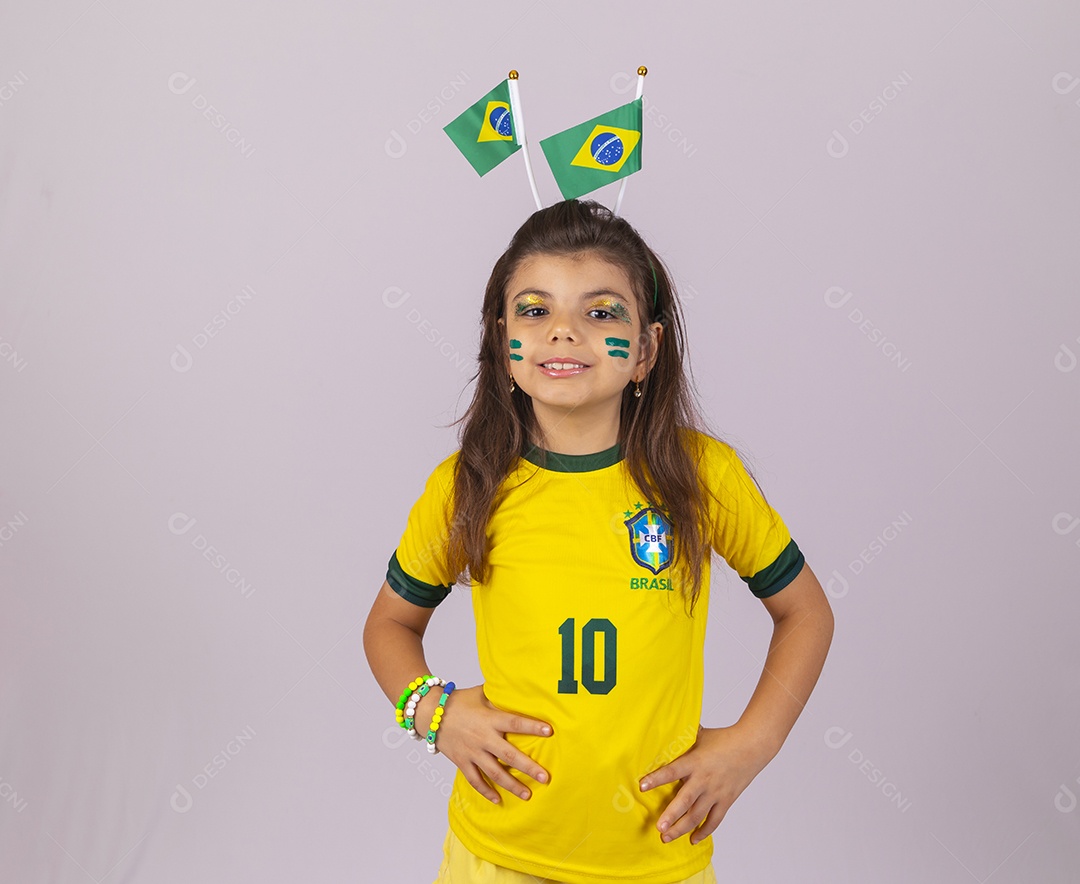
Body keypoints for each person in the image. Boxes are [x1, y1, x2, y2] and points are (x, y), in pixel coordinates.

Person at [363, 199, 834, 883]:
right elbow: (389, 624)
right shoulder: (468, 486)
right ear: (503, 344)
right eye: (534, 310)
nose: (563, 332)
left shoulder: (703, 477)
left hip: (658, 860)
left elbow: (806, 612)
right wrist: (433, 714)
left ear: (645, 349)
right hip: (496, 854)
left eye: (601, 312)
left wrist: (751, 745)